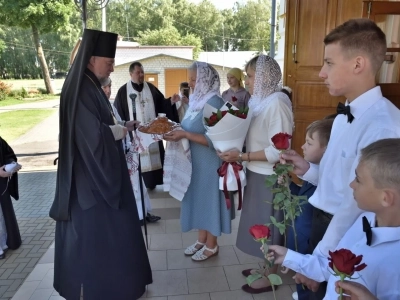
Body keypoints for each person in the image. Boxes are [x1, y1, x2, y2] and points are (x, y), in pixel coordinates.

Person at [280, 19, 400, 300]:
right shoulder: (343, 116)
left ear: (358, 64)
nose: (321, 73)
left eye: (329, 63)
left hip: (344, 232)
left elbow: (353, 204)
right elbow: (341, 178)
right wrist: (308, 170)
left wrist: (320, 260)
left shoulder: (383, 125)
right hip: (321, 221)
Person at [50, 29, 152, 300]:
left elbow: (101, 124)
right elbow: (94, 136)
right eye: (109, 62)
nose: (112, 67)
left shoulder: (89, 84)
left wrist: (122, 126)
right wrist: (119, 131)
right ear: (92, 59)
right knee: (96, 240)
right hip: (91, 183)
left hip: (98, 173)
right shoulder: (82, 87)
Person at [267, 138, 400, 300]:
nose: (351, 185)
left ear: (385, 198)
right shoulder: (363, 220)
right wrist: (289, 256)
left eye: (358, 179)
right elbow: (331, 265)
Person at [218, 54, 293, 294]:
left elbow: (279, 150)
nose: (247, 82)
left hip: (270, 175)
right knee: (261, 224)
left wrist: (242, 156)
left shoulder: (278, 103)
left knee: (269, 224)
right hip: (255, 171)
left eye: (250, 76)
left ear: (264, 77)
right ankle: (265, 266)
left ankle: (272, 276)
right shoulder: (259, 100)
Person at [163, 62, 231, 261]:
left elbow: (214, 139)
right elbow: (192, 124)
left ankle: (212, 245)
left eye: (194, 79)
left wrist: (184, 134)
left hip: (209, 163)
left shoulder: (215, 103)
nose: (191, 83)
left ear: (205, 80)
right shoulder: (196, 100)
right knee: (198, 201)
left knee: (209, 202)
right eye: (190, 79)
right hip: (196, 164)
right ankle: (202, 239)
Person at [101, 77, 161, 224]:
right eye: (104, 88)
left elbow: (117, 122)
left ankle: (144, 212)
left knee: (138, 183)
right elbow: (103, 130)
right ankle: (137, 216)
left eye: (109, 86)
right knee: (132, 187)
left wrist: (127, 124)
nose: (108, 91)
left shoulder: (108, 105)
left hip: (126, 150)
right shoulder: (98, 106)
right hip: (115, 154)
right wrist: (121, 129)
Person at [113, 61, 180, 190]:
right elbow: (118, 115)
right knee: (137, 166)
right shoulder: (123, 92)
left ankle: (153, 182)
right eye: (138, 72)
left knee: (154, 161)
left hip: (152, 137)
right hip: (135, 137)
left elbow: (162, 104)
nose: (141, 75)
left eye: (142, 72)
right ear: (131, 73)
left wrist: (170, 101)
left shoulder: (151, 88)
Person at [287, 119, 333, 300]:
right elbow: (302, 197)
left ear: (327, 149)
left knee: (311, 280)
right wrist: (289, 185)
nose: (302, 146)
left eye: (309, 143)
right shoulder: (313, 172)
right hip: (301, 238)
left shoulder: (327, 179)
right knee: (302, 276)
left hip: (310, 242)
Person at [0, 136, 22, 259]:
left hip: (1, 185)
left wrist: (12, 164)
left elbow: (8, 153)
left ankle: (4, 243)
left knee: (3, 216)